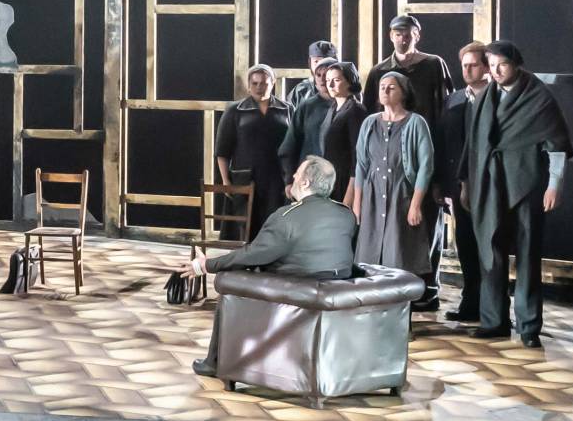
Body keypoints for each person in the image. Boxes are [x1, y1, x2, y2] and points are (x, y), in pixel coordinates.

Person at [181, 155, 357, 378]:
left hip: (296, 290)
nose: (293, 176)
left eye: (297, 174)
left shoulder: (285, 217)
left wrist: (207, 265)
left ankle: (215, 362)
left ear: (305, 183)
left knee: (231, 279)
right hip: (338, 286)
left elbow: (252, 255)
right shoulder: (345, 215)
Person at [463, 40, 572, 347]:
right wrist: (466, 184)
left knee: (527, 253)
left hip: (527, 183)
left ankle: (528, 326)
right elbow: (473, 144)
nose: (496, 71)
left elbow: (557, 145)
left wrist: (554, 185)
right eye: (492, 65)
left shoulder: (539, 97)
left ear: (516, 64)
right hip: (490, 183)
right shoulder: (485, 98)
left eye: (503, 65)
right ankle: (494, 321)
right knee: (490, 249)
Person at [350, 71, 438, 288]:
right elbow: (361, 165)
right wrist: (357, 204)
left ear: (404, 92)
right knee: (369, 258)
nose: (385, 91)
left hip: (401, 196)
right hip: (373, 197)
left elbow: (426, 166)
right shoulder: (369, 123)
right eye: (382, 87)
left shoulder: (416, 123)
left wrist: (415, 205)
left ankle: (400, 303)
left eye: (391, 87)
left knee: (399, 255)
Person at [434, 42, 489, 319]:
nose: (467, 70)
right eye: (464, 65)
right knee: (465, 243)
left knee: (488, 247)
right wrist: (440, 184)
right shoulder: (453, 100)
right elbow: (443, 143)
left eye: (473, 65)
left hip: (489, 183)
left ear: (486, 67)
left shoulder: (497, 98)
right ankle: (470, 305)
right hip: (458, 185)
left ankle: (492, 308)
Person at [214, 66, 289, 240]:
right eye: (254, 83)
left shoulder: (287, 109)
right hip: (246, 177)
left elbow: (293, 146)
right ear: (248, 85)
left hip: (276, 178)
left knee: (274, 224)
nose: (259, 87)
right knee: (244, 227)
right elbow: (222, 151)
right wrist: (226, 181)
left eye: (264, 83)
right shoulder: (235, 110)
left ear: (272, 83)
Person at [364, 14, 449, 123]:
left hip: (426, 129)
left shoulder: (433, 64)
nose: (402, 40)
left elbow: (445, 103)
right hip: (391, 130)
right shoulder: (378, 71)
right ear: (391, 36)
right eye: (398, 35)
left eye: (407, 36)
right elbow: (370, 109)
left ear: (417, 37)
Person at [277, 59, 347, 181]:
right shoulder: (307, 107)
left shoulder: (349, 107)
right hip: (310, 176)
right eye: (318, 75)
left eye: (326, 75)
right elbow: (289, 145)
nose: (322, 79)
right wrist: (289, 179)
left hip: (340, 176)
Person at [288, 39, 342, 116]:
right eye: (316, 61)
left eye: (326, 62)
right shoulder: (301, 91)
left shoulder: (344, 87)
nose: (320, 66)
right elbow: (290, 117)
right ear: (310, 63)